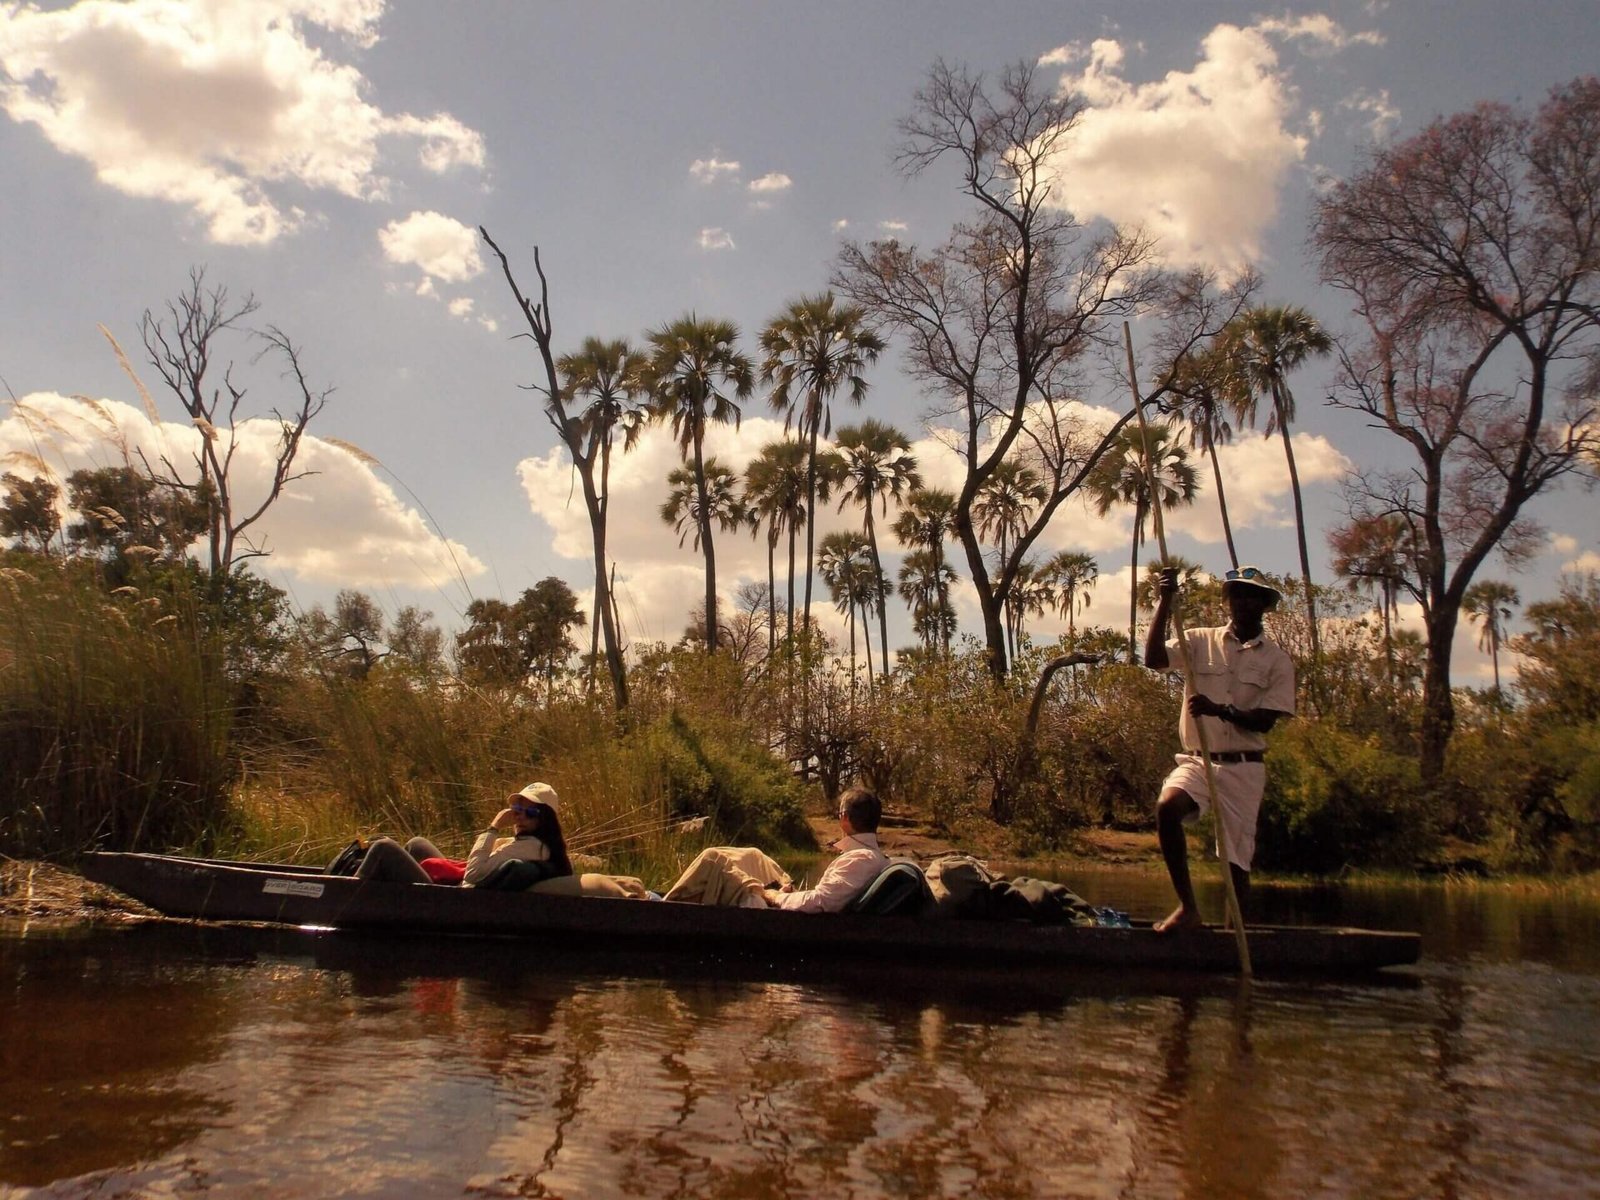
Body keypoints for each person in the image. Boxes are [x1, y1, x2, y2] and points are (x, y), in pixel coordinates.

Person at [1143, 565, 1296, 933]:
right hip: (1199, 759)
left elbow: (1265, 721)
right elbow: (1153, 660)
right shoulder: (1199, 639)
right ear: (1228, 602)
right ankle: (1188, 910)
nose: (1243, 602)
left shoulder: (1277, 660)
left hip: (1244, 767)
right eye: (1237, 595)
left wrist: (1220, 710)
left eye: (1252, 597)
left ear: (1263, 605)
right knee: (1168, 808)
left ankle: (1234, 934)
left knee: (1235, 859)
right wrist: (1165, 601)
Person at [663, 786, 888, 912]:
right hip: (786, 904)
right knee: (754, 855)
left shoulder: (860, 859)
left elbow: (819, 903)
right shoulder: (869, 856)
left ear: (845, 819)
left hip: (776, 913)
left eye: (839, 814)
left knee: (713, 859)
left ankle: (666, 908)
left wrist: (774, 897)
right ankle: (675, 899)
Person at [338, 783, 573, 888]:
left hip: (453, 897)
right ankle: (385, 891)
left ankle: (345, 893)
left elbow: (473, 873)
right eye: (518, 809)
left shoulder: (530, 847)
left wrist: (493, 828)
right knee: (417, 844)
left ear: (544, 819)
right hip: (462, 884)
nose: (520, 816)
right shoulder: (532, 844)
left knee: (384, 848)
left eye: (529, 812)